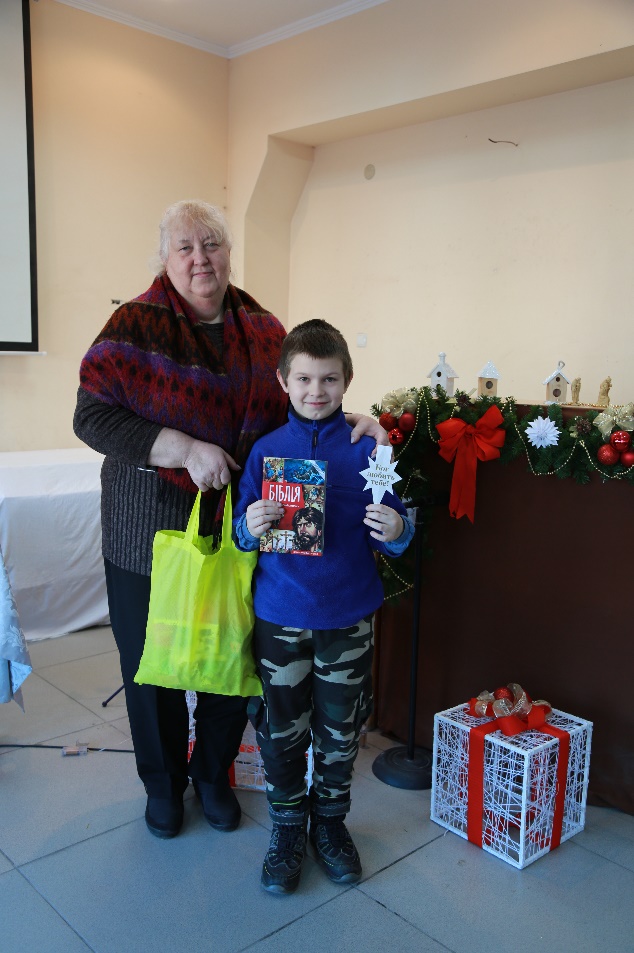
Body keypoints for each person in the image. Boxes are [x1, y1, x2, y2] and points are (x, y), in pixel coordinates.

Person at [73, 200, 386, 841]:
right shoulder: (132, 326)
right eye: (185, 246)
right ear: (165, 257)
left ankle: (212, 776)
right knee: (152, 664)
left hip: (244, 526)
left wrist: (365, 421)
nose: (200, 258)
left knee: (226, 662)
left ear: (229, 251)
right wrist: (182, 450)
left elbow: (308, 395)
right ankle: (162, 786)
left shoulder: (265, 326)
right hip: (147, 530)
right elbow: (91, 417)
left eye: (211, 243)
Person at [232, 319, 415, 894]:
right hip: (280, 617)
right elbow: (239, 531)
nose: (317, 391)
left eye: (329, 379)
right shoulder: (266, 451)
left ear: (346, 381)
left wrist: (398, 527)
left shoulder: (369, 448)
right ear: (284, 381)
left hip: (347, 618)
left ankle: (330, 825)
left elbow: (399, 521)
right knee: (281, 732)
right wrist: (250, 525)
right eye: (305, 378)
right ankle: (288, 826)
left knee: (340, 733)